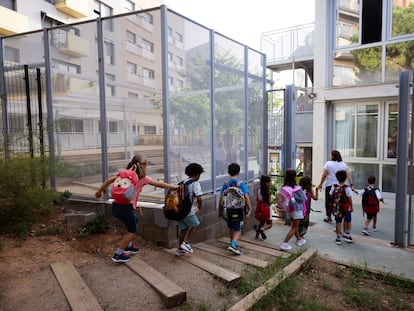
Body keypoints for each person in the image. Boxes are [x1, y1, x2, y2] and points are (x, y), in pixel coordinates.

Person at [95, 153, 178, 263]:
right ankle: (118, 254)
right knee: (131, 231)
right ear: (143, 166)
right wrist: (174, 186)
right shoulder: (143, 178)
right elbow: (159, 185)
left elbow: (108, 181)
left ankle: (128, 245)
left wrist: (99, 191)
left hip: (116, 207)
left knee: (135, 220)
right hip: (126, 208)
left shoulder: (124, 175)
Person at [219, 163, 252, 255]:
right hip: (239, 211)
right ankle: (233, 244)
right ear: (238, 172)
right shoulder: (241, 184)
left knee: (231, 227)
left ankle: (232, 242)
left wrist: (220, 210)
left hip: (228, 211)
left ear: (228, 172)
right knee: (238, 229)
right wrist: (250, 209)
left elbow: (221, 198)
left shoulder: (226, 184)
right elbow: (246, 197)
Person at [175, 163, 205, 256]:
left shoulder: (182, 182)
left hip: (178, 210)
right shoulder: (195, 183)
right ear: (197, 174)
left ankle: (180, 248)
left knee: (184, 229)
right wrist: (199, 206)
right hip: (188, 210)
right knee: (196, 225)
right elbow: (199, 198)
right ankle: (186, 243)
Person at [317, 150, 353, 223]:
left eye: (330, 155)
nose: (330, 156)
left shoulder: (328, 164)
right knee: (340, 201)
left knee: (328, 201)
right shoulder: (343, 164)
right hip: (341, 186)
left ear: (333, 156)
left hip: (330, 185)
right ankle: (340, 215)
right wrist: (351, 184)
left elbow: (324, 175)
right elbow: (348, 175)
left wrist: (320, 184)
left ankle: (328, 216)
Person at [279, 169, 307, 251]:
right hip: (297, 210)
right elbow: (303, 198)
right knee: (294, 227)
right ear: (295, 177)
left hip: (289, 209)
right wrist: (304, 193)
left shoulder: (285, 188)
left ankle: (299, 239)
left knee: (294, 225)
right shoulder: (297, 188)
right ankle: (284, 243)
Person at [330, 170, 354, 245]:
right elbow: (349, 199)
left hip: (337, 207)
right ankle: (347, 234)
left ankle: (338, 238)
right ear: (346, 178)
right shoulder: (347, 188)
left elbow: (331, 195)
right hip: (346, 207)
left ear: (337, 178)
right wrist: (351, 207)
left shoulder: (334, 186)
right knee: (348, 220)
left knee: (338, 222)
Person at [253, 175, 273, 240]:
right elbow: (269, 202)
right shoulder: (268, 192)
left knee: (262, 222)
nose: (271, 182)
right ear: (267, 183)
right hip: (267, 209)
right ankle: (263, 229)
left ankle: (256, 236)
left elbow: (258, 199)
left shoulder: (259, 190)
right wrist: (272, 199)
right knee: (270, 224)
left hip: (261, 209)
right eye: (270, 181)